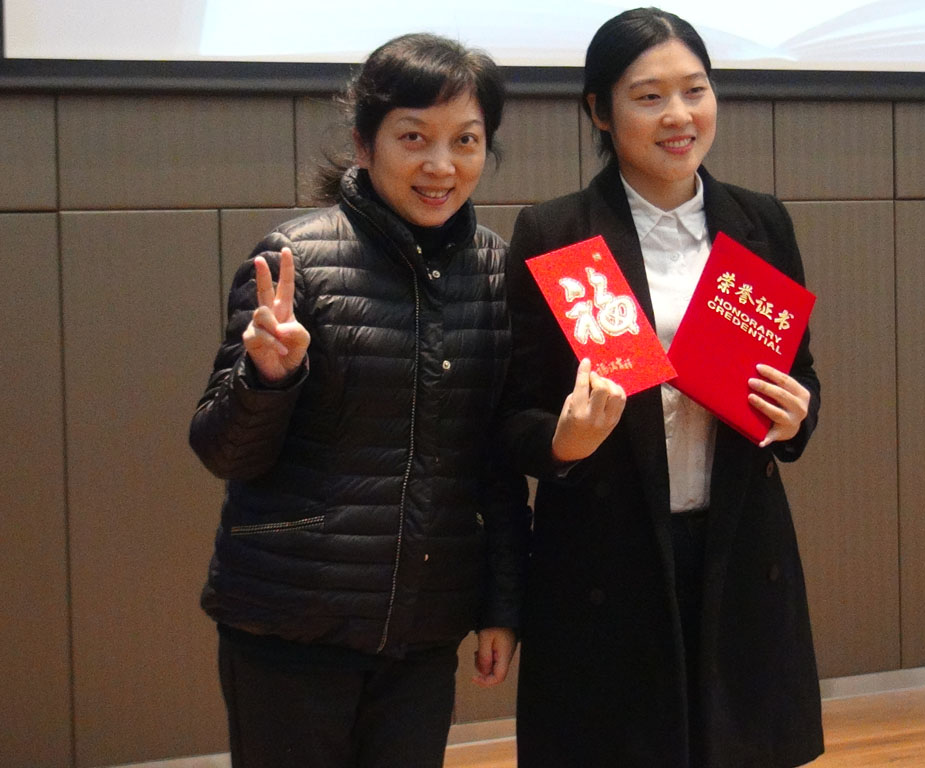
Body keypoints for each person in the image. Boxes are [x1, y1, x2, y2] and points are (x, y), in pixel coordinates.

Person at [189, 32, 529, 768]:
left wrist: (503, 606)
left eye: (466, 140)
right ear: (363, 142)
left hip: (422, 634)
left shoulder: (498, 273)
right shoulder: (295, 262)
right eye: (414, 137)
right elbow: (223, 451)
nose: (441, 166)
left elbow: (495, 464)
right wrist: (269, 378)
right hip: (290, 626)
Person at [499, 8, 824, 768]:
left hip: (736, 546)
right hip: (608, 556)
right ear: (599, 111)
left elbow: (800, 374)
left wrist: (796, 417)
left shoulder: (761, 222)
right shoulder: (557, 232)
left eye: (695, 90)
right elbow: (513, 417)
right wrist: (563, 442)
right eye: (648, 97)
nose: (679, 116)